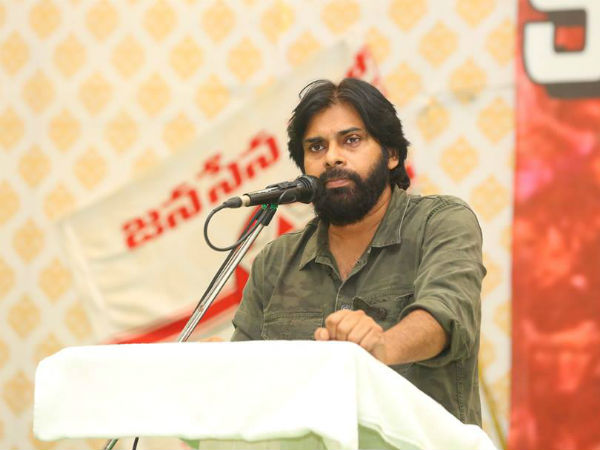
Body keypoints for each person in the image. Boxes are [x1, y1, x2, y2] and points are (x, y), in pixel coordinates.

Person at [231, 78, 486, 425]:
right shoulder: (274, 261)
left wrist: (381, 347)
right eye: (316, 147)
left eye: (351, 140)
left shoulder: (440, 222)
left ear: (391, 154)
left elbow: (446, 316)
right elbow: (246, 379)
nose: (332, 157)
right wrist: (216, 368)